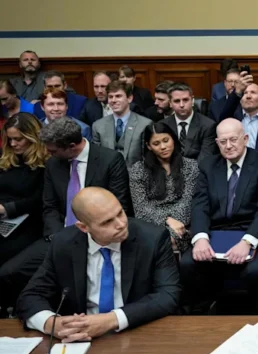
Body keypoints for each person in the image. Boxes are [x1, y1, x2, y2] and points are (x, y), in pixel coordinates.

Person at [0, 117, 132, 318]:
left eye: (53, 151)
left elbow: (119, 204)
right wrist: (57, 236)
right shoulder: (54, 164)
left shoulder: (109, 159)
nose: (48, 154)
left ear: (71, 146)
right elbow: (50, 206)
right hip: (60, 235)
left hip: (97, 234)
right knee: (8, 272)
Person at [16, 187, 181, 341]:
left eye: (120, 213)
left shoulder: (152, 238)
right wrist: (53, 324)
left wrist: (111, 320)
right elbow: (30, 296)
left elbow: (168, 295)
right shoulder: (63, 243)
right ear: (83, 227)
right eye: (107, 222)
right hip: (79, 338)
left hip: (135, 333)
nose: (121, 224)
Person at [180, 118, 258, 312]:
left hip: (250, 231)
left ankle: (254, 317)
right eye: (223, 142)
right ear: (217, 143)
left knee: (256, 270)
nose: (228, 146)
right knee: (189, 263)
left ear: (245, 138)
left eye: (233, 139)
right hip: (217, 231)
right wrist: (200, 238)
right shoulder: (208, 165)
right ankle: (202, 315)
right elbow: (200, 205)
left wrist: (247, 242)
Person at [0, 114, 48, 310]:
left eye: (18, 139)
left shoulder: (46, 164)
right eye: (10, 139)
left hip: (29, 223)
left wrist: (8, 209)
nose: (13, 144)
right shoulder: (6, 159)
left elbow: (41, 200)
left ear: (32, 137)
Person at [128, 122, 199, 252]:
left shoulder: (190, 166)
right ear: (148, 146)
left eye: (166, 141)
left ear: (173, 139)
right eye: (156, 144)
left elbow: (188, 202)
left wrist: (174, 223)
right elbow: (141, 209)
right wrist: (167, 220)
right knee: (159, 240)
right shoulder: (138, 170)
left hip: (184, 223)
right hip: (151, 223)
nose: (163, 147)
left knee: (164, 241)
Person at [218, 71, 258, 159]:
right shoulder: (232, 119)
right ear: (240, 99)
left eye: (253, 92)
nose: (248, 96)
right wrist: (238, 91)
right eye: (245, 93)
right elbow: (222, 119)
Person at [92, 81, 153, 167]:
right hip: (108, 173)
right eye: (110, 97)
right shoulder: (98, 126)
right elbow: (96, 158)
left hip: (136, 173)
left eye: (118, 96)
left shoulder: (145, 124)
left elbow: (148, 159)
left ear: (129, 98)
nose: (113, 100)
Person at [160, 83, 218, 161]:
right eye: (177, 101)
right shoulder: (163, 125)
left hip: (198, 167)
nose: (181, 105)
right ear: (170, 103)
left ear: (192, 100)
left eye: (185, 100)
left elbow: (205, 159)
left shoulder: (208, 125)